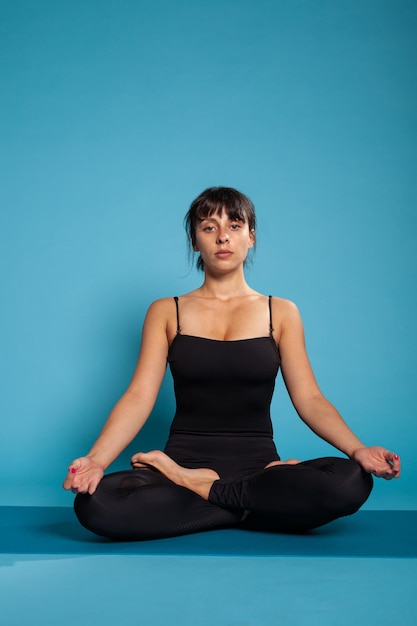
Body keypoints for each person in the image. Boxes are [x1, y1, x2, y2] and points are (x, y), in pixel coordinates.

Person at [63, 186, 400, 540]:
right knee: (96, 503)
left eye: (235, 225)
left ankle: (205, 491)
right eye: (208, 227)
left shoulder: (281, 312)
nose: (223, 236)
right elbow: (139, 396)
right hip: (182, 462)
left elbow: (310, 400)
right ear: (195, 241)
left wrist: (358, 449)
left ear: (251, 237)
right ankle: (249, 506)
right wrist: (97, 460)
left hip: (260, 469)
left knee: (349, 481)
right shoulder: (166, 311)